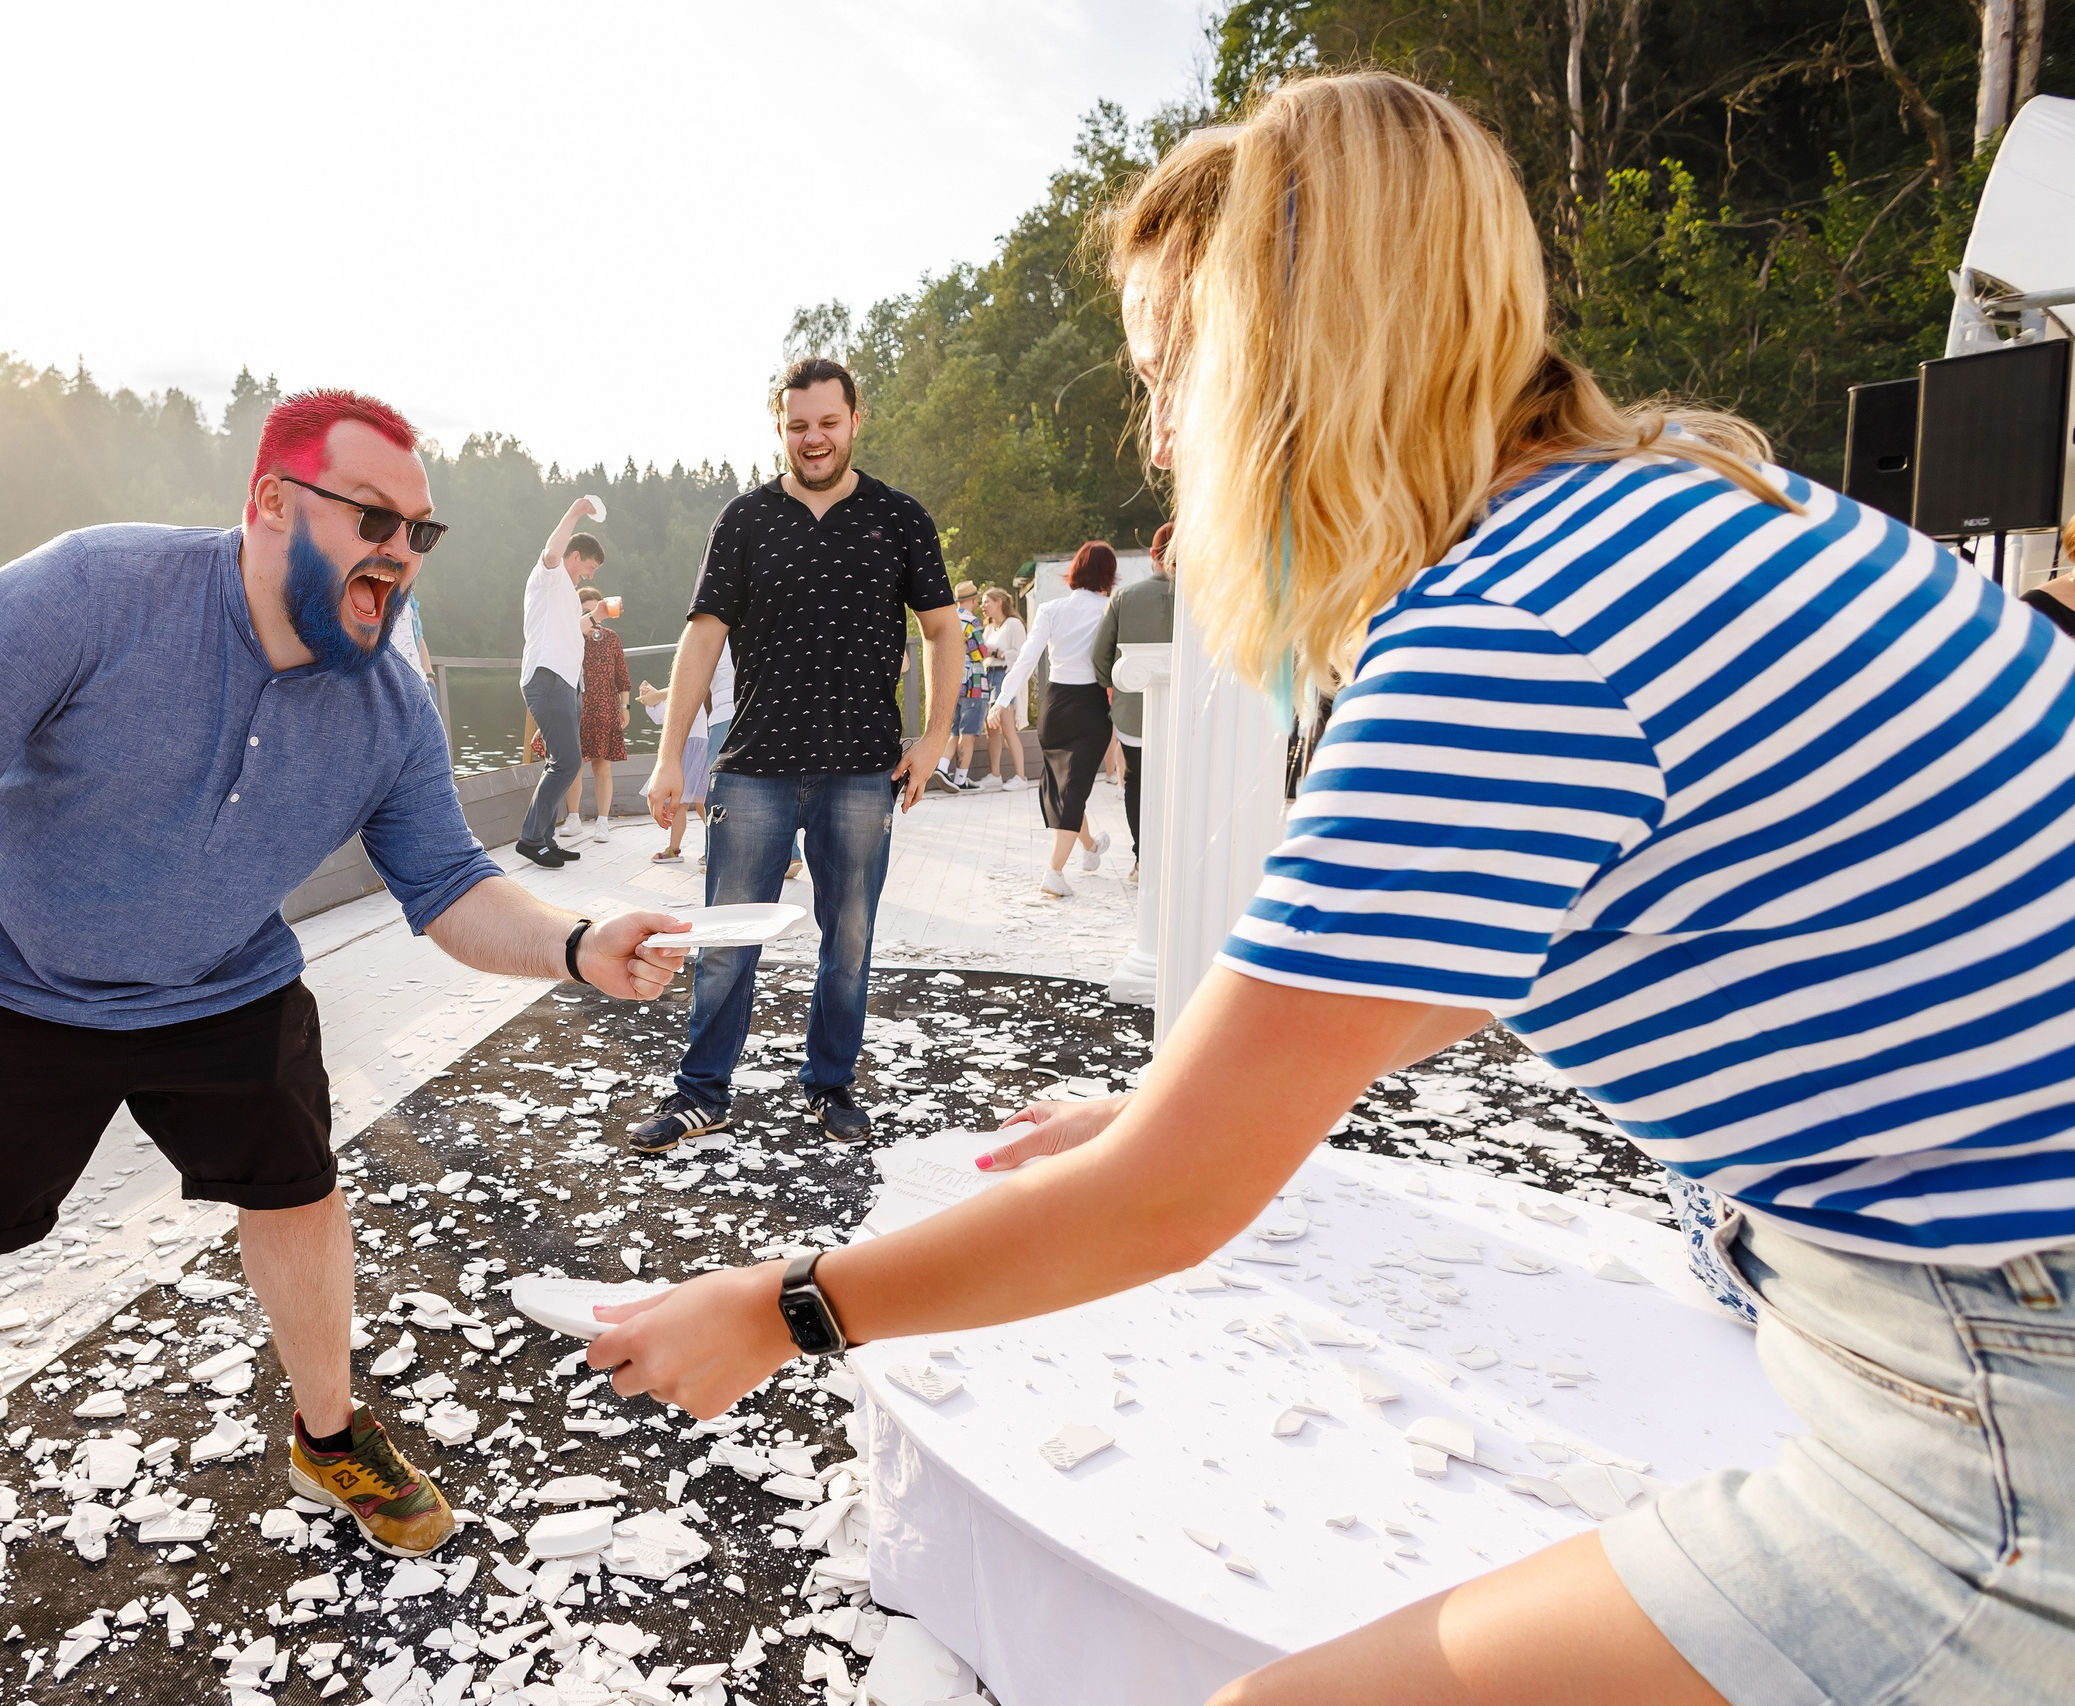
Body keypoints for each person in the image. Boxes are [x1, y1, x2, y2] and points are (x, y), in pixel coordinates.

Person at [587, 71, 2075, 1706]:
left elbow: (1169, 1203)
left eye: (1169, 380)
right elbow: (1503, 939)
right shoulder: (1679, 507)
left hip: (2006, 1405)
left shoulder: (1498, 644)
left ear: (1284, 366)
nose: (1155, 439)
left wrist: (789, 1310)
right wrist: (1214, 1092)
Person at [0, 390, 688, 1690]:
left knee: (299, 1192)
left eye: (420, 531)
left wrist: (579, 942)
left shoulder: (390, 703)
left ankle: (328, 1428)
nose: (400, 553)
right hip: (5, 979)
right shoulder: (87, 592)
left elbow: (451, 889)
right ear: (267, 505)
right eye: (372, 519)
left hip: (222, 982)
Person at [629, 356, 958, 1153]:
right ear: (779, 426)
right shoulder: (744, 520)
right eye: (798, 424)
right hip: (753, 766)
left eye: (828, 422)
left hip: (860, 768)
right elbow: (702, 636)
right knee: (726, 939)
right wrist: (672, 756)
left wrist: (935, 737)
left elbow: (943, 630)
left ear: (855, 420)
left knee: (848, 938)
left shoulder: (899, 518)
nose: (814, 438)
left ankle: (830, 1084)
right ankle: (701, 1093)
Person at [990, 542, 1115, 895]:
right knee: (1073, 786)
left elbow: (1027, 659)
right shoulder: (1111, 608)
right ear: (1109, 574)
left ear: (1075, 570)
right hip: (1091, 706)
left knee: (1067, 785)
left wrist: (1002, 701)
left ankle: (1090, 848)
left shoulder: (1052, 608)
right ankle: (1054, 873)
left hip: (1055, 705)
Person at [515, 500, 604, 867]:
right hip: (547, 676)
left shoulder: (566, 594)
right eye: (590, 567)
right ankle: (531, 839)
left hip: (566, 682)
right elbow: (553, 550)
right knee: (567, 762)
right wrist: (576, 510)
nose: (590, 576)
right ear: (576, 555)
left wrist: (596, 615)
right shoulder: (549, 575)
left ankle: (545, 839)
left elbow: (575, 631)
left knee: (562, 761)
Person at [1092, 520, 1176, 872]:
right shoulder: (1207, 597)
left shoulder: (1125, 597)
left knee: (1137, 780)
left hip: (1134, 711)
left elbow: (1100, 657)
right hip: (1188, 712)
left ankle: (1144, 859)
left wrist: (1116, 688)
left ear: (1153, 555)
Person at [566, 587, 631, 842]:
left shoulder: (611, 638)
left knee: (602, 766)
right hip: (577, 706)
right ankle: (573, 817)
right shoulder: (570, 637)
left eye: (596, 611)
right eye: (586, 611)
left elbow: (622, 677)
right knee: (575, 764)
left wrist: (624, 708)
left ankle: (603, 822)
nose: (593, 617)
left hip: (605, 707)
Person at [635, 680, 708, 862]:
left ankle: (716, 847)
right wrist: (649, 698)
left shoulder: (695, 696)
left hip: (697, 752)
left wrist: (654, 697)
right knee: (678, 804)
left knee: (702, 804)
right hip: (682, 752)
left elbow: (673, 714)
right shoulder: (678, 697)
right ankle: (674, 849)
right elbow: (661, 718)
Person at [977, 586, 1029, 789]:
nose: (983, 606)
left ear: (999, 602)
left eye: (986, 602)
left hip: (1005, 678)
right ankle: (995, 774)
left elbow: (1021, 655)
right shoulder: (989, 627)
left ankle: (1021, 777)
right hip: (989, 677)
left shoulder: (1014, 624)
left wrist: (998, 653)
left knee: (1007, 728)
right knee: (991, 729)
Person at [941, 578, 988, 789]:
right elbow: (980, 653)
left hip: (952, 682)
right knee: (968, 733)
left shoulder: (948, 619)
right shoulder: (971, 621)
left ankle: (942, 768)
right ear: (974, 600)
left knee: (954, 731)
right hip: (973, 682)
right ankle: (960, 779)